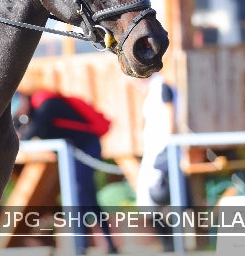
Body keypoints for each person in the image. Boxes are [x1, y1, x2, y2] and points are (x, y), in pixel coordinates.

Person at [12, 90, 118, 255]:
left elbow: (34, 129)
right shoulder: (28, 112)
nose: (17, 112)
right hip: (72, 153)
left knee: (80, 196)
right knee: (87, 198)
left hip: (86, 147)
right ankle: (106, 245)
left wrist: (17, 136)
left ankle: (82, 247)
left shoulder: (47, 104)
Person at [135, 72, 187, 251]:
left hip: (161, 153)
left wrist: (167, 149)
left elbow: (170, 116)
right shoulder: (156, 88)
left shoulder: (161, 88)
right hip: (156, 152)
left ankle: (171, 242)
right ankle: (169, 241)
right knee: (150, 203)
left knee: (156, 199)